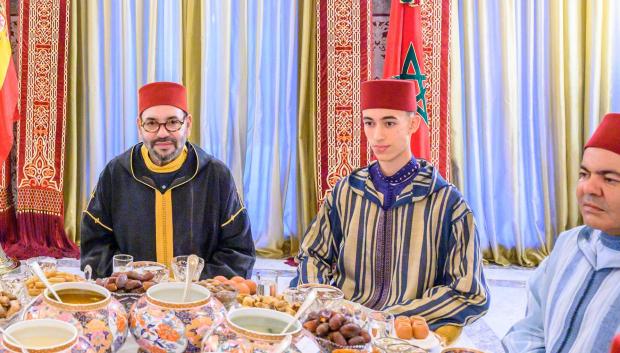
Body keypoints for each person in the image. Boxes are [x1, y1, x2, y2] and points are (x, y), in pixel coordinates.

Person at [295, 79, 489, 343]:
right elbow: (313, 255)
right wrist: (329, 308)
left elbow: (470, 292)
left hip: (402, 337)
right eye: (369, 122)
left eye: (389, 123)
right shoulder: (347, 191)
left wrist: (390, 317)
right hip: (339, 330)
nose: (377, 136)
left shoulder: (448, 204)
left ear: (413, 124)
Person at [81, 82, 255, 279]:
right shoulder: (116, 174)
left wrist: (195, 286)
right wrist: (131, 281)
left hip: (198, 300)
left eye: (173, 122)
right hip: (132, 298)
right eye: (152, 123)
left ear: (188, 124)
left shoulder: (216, 176)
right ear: (140, 126)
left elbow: (238, 251)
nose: (162, 133)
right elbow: (94, 246)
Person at [502, 113, 620, 353]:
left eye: (609, 179)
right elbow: (532, 329)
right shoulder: (571, 244)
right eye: (584, 174)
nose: (588, 188)